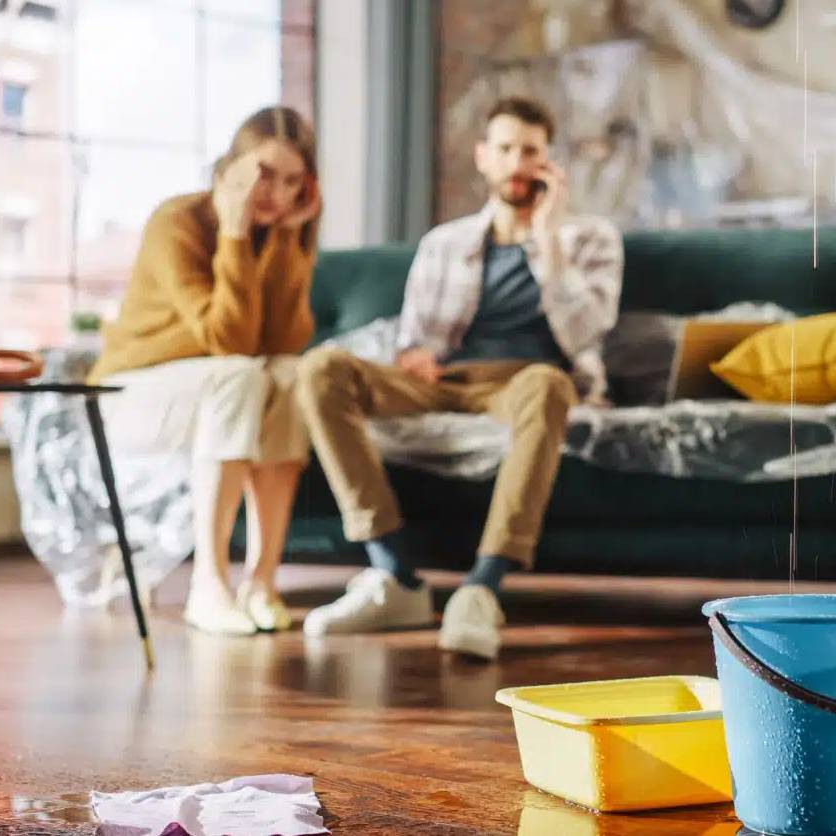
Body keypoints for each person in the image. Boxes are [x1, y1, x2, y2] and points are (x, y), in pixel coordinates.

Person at [297, 96, 622, 659]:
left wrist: (546, 240)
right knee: (321, 368)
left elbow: (588, 331)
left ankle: (482, 588)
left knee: (549, 384)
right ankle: (395, 574)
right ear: (483, 158)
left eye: (531, 151)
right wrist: (416, 355)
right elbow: (415, 338)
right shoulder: (443, 243)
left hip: (528, 381)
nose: (518, 162)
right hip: (446, 380)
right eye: (506, 149)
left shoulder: (589, 239)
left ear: (549, 162)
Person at [89, 106, 321, 636]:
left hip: (216, 387)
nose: (275, 193)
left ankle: (261, 581)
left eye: (291, 181)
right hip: (132, 394)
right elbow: (230, 341)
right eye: (263, 174)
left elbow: (284, 342)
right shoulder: (177, 221)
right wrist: (235, 234)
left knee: (289, 375)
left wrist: (286, 240)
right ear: (229, 167)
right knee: (239, 374)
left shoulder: (281, 231)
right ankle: (209, 586)